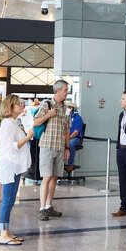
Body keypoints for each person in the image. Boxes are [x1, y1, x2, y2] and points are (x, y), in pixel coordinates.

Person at [0, 94, 32, 245]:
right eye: (18, 104)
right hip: (9, 166)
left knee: (10, 201)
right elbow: (11, 145)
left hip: (14, 166)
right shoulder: (7, 124)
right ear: (11, 107)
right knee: (7, 200)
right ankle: (3, 234)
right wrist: (28, 136)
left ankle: (6, 230)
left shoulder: (13, 122)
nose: (21, 106)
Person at [34, 80, 72, 221]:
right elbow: (36, 122)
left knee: (55, 177)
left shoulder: (66, 108)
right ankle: (42, 208)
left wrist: (67, 147)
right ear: (58, 91)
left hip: (60, 148)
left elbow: (67, 130)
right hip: (47, 146)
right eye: (65, 90)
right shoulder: (47, 105)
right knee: (47, 177)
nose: (66, 92)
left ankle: (49, 206)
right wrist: (48, 115)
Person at [65, 106, 83, 173]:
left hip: (75, 138)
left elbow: (76, 132)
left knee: (70, 143)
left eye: (67, 107)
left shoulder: (77, 118)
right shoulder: (64, 117)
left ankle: (70, 164)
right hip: (65, 137)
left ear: (71, 108)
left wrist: (67, 139)